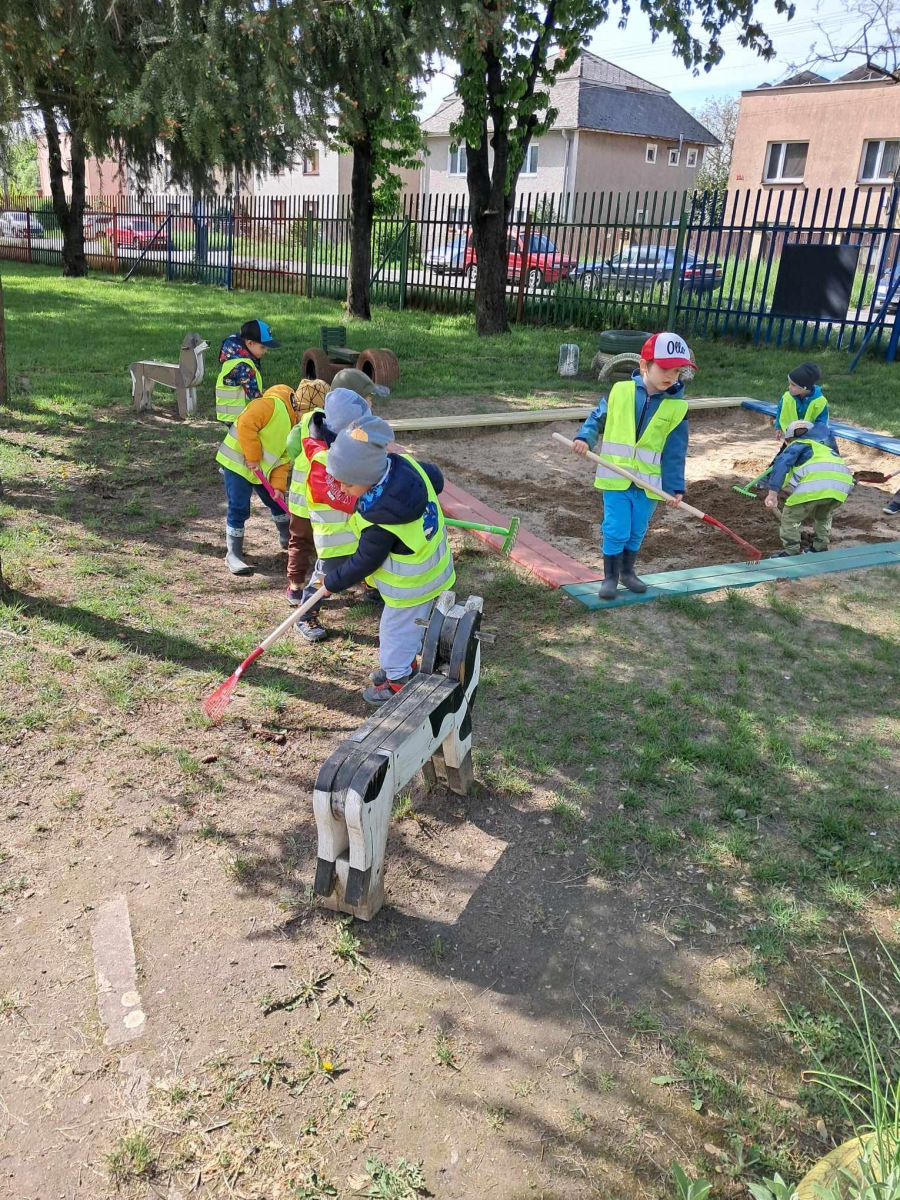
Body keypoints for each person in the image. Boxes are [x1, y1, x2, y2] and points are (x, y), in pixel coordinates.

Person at [318, 413, 455, 705]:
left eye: (348, 484)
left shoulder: (381, 519)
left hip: (410, 585)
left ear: (367, 478)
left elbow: (363, 562)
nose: (342, 489)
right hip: (434, 569)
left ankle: (397, 681)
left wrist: (332, 582)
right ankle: (406, 664)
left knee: (394, 632)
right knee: (409, 627)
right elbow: (437, 479)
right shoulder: (407, 466)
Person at [572, 331, 693, 599]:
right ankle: (610, 578)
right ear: (644, 365)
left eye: (677, 371)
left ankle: (627, 573)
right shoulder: (620, 391)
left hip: (649, 485)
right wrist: (584, 438)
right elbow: (598, 418)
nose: (671, 376)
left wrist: (674, 487)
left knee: (637, 530)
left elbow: (675, 453)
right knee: (616, 529)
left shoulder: (678, 409)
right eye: (665, 368)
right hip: (616, 478)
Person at [288, 387, 378, 643]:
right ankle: (306, 614)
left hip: (358, 529)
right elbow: (335, 496)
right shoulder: (322, 460)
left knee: (373, 560)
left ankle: (372, 587)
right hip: (335, 536)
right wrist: (365, 501)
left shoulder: (348, 450)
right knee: (326, 577)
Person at [215, 383, 298, 574]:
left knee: (276, 501)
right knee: (239, 506)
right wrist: (253, 457)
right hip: (237, 464)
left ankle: (288, 538)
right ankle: (233, 554)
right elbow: (246, 424)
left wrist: (278, 487)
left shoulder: (293, 427)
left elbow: (283, 460)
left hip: (261, 470)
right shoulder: (269, 405)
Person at [764, 419, 855, 556]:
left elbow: (782, 464)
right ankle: (820, 547)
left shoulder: (797, 445)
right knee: (823, 516)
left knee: (790, 517)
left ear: (788, 440)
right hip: (842, 487)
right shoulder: (825, 449)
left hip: (816, 484)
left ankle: (791, 551)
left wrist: (772, 493)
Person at [283, 378, 330, 627]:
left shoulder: (301, 425)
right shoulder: (330, 421)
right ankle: (322, 585)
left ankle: (295, 586)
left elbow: (290, 448)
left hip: (301, 501)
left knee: (299, 542)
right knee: (326, 545)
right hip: (323, 501)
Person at [214, 319, 281, 423]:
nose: (265, 351)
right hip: (237, 417)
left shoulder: (235, 359)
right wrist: (271, 408)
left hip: (231, 415)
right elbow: (254, 395)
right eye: (262, 347)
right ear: (250, 343)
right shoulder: (242, 365)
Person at [773, 362, 831, 441]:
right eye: (789, 384)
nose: (789, 387)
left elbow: (822, 423)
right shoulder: (787, 397)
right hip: (791, 437)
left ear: (804, 388)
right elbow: (780, 410)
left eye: (793, 385)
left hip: (811, 439)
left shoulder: (820, 402)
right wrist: (778, 427)